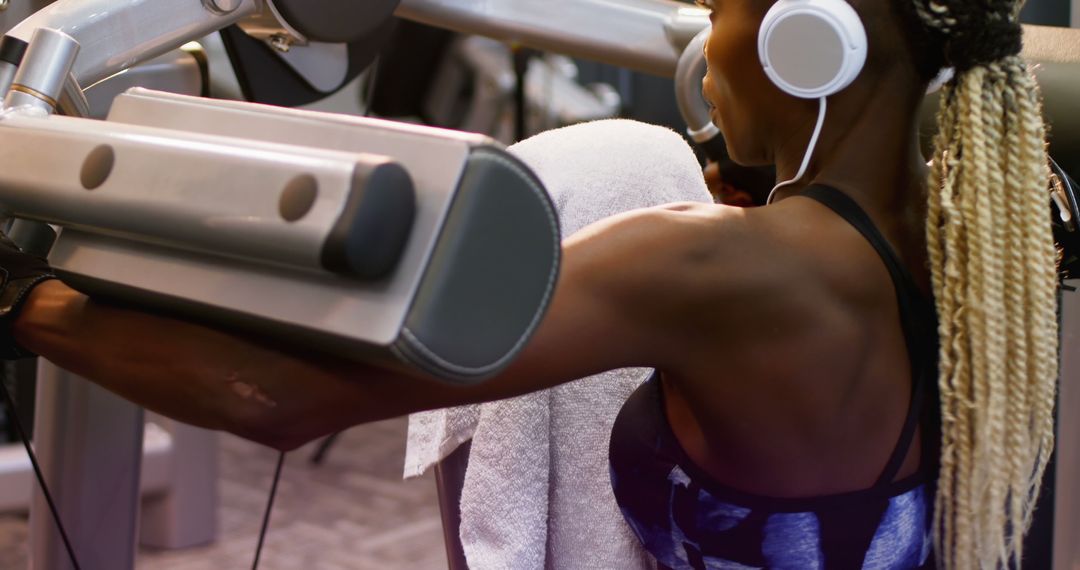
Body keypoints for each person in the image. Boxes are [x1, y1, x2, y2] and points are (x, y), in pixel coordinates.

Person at [0, 0, 1057, 564]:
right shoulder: (979, 243)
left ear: (807, 43)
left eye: (720, 5)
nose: (703, 38)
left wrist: (22, 301)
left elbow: (274, 398)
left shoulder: (716, 268)